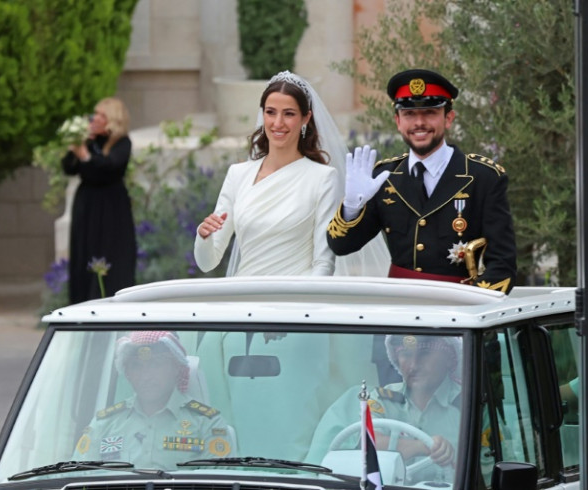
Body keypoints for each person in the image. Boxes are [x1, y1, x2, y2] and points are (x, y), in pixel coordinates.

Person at [193, 71, 389, 461]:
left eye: (288, 114)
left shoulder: (322, 178)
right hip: (237, 322)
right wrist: (202, 235)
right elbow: (210, 260)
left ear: (305, 120)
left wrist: (295, 317)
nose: (278, 123)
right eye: (270, 112)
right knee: (234, 432)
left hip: (296, 327)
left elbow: (323, 261)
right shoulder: (238, 175)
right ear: (261, 116)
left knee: (293, 432)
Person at [326, 69, 517, 293]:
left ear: (448, 118)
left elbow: (503, 265)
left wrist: (468, 307)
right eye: (409, 114)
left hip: (458, 311)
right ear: (398, 121)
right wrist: (351, 207)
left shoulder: (483, 177)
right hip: (400, 310)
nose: (419, 122)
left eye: (429, 112)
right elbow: (341, 246)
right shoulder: (385, 177)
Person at [73, 331, 233, 469]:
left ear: (176, 367)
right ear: (127, 373)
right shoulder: (105, 424)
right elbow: (82, 474)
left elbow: (218, 482)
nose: (146, 376)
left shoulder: (206, 423)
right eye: (136, 366)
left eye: (156, 364)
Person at [307, 334, 461, 476]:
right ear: (396, 359)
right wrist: (422, 447)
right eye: (406, 354)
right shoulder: (381, 398)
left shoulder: (466, 404)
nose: (413, 365)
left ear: (449, 357)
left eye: (425, 354)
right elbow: (369, 443)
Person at [62, 97, 137, 304]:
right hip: (88, 204)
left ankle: (112, 301)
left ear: (113, 119)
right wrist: (77, 147)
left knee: (112, 252)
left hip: (111, 206)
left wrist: (86, 156)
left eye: (102, 115)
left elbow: (110, 168)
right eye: (95, 114)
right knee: (85, 252)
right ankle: (82, 301)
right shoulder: (89, 141)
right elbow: (69, 167)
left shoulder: (122, 143)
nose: (96, 119)